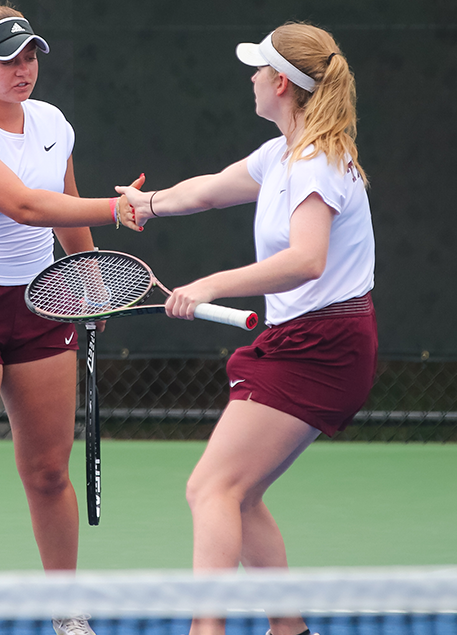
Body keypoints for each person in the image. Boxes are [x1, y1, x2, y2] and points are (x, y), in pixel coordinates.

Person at [116, 22, 377, 635]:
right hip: (306, 339)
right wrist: (145, 205)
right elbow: (206, 192)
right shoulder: (282, 154)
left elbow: (307, 260)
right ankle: (289, 630)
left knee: (210, 488)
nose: (251, 78)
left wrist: (209, 284)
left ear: (280, 84)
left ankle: (206, 631)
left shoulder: (316, 162)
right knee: (238, 492)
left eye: (258, 70)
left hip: (324, 345)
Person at [0, 2, 139, 635]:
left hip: (42, 303)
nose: (24, 68)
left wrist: (90, 275)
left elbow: (64, 207)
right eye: (9, 58)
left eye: (31, 54)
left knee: (46, 471)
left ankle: (67, 613)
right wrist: (125, 208)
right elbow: (22, 205)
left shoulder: (52, 122)